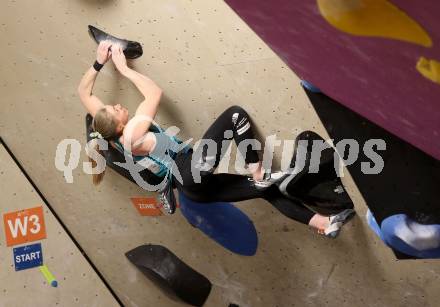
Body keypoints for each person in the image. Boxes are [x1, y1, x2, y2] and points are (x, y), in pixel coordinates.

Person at [78, 41, 355, 238]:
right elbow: (153, 94)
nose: (117, 105)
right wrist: (123, 68)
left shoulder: (110, 133)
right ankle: (258, 172)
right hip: (190, 172)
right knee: (235, 116)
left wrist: (99, 61)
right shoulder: (131, 133)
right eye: (115, 109)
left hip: (193, 189)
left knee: (267, 191)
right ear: (119, 123)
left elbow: (84, 94)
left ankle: (323, 223)